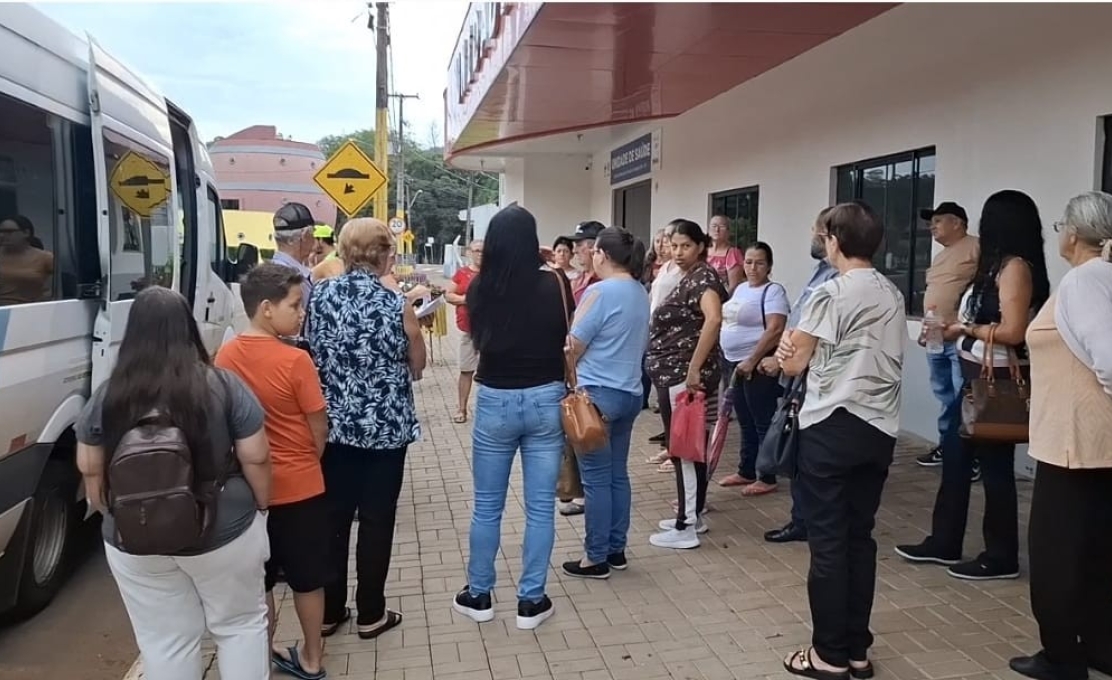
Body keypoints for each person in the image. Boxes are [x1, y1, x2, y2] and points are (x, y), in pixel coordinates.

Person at [75, 286, 272, 680]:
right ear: (189, 328)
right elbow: (257, 456)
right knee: (239, 627)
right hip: (222, 528)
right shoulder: (222, 385)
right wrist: (263, 507)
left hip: (134, 538)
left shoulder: (108, 395)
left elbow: (90, 468)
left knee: (166, 640)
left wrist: (110, 513)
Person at [776, 201, 907, 680]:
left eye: (823, 235)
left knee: (829, 542)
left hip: (832, 423)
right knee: (859, 538)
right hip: (879, 427)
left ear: (835, 240)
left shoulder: (830, 293)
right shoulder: (892, 292)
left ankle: (828, 655)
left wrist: (792, 348)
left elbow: (792, 362)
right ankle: (856, 650)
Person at [896, 189, 1050, 580]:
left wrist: (965, 328)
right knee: (955, 459)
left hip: (993, 385)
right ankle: (944, 541)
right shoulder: (993, 266)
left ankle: (1001, 556)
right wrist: (946, 332)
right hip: (970, 377)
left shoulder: (1015, 267)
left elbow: (1014, 330)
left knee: (996, 470)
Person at [1008, 191, 1112, 680]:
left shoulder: (1084, 280)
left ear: (1073, 233)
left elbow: (1109, 359)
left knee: (1056, 556)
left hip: (1075, 442)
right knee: (1095, 551)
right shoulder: (1101, 277)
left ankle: (1063, 656)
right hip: (1090, 442)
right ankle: (1098, 646)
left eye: (1059, 228)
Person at [452, 204, 571, 631]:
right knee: (540, 507)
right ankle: (531, 601)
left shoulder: (481, 288)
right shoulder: (555, 283)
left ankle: (479, 594)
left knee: (487, 506)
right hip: (545, 398)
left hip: (495, 401)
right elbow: (566, 333)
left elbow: (477, 336)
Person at [307, 218, 425, 640]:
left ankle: (330, 610)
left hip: (332, 428)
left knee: (334, 517)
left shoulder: (318, 296)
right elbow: (417, 365)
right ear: (381, 254)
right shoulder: (395, 303)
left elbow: (309, 354)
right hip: (385, 431)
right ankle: (371, 612)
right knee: (377, 519)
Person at [215, 264, 330, 680]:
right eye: (295, 305)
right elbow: (318, 425)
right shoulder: (295, 360)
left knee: (258, 581)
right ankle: (313, 657)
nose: (302, 314)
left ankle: (261, 658)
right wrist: (307, 459)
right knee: (307, 579)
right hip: (300, 487)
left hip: (247, 492)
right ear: (266, 308)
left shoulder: (224, 358)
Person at [561, 227, 650, 579]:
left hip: (597, 395)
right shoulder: (639, 291)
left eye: (593, 250)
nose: (589, 256)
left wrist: (568, 375)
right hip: (629, 393)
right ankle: (616, 549)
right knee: (617, 476)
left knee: (596, 480)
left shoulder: (599, 291)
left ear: (604, 255)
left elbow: (573, 345)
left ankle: (594, 556)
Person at [758, 207, 839, 544]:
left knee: (806, 450)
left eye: (817, 230)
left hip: (811, 375)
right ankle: (802, 518)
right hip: (797, 374)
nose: (812, 235)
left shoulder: (837, 281)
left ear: (831, 237)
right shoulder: (820, 272)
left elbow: (811, 334)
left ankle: (809, 521)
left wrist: (781, 360)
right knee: (799, 448)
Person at [645, 219, 727, 548]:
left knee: (684, 450)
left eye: (686, 246)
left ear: (701, 247)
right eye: (674, 245)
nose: (678, 252)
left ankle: (686, 525)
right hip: (674, 371)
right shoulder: (689, 275)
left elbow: (715, 318)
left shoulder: (703, 277)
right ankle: (694, 515)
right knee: (687, 448)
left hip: (683, 375)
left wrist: (693, 368)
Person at [717, 242, 789, 495]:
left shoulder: (773, 292)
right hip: (732, 362)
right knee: (745, 420)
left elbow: (775, 329)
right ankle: (746, 470)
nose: (752, 267)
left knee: (762, 420)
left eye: (759, 262)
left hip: (757, 364)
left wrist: (752, 359)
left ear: (769, 266)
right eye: (748, 262)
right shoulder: (739, 289)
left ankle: (767, 475)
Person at [915, 203, 980, 476]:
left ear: (957, 223)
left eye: (938, 221)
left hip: (959, 337)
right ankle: (947, 445)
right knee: (944, 394)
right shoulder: (941, 256)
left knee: (960, 398)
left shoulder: (977, 248)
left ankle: (970, 455)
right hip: (935, 336)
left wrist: (964, 326)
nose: (932, 226)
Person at [645, 219, 687, 468]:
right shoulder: (665, 268)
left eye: (672, 242)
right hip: (658, 341)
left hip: (675, 345)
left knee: (676, 402)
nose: (667, 246)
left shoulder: (688, 273)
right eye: (667, 241)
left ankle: (679, 451)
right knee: (663, 401)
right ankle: (671, 447)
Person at [445, 240, 483, 424]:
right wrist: (466, 299)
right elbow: (448, 295)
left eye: (483, 251)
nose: (480, 254)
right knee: (466, 369)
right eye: (476, 251)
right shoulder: (462, 274)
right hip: (467, 329)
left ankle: (486, 409)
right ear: (469, 252)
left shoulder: (492, 273)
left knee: (489, 372)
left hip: (489, 331)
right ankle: (461, 408)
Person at [0, 215, 53, 305]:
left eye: (9, 232)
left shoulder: (45, 258)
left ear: (26, 233)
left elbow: (60, 287)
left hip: (30, 309)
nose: (2, 235)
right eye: (1, 231)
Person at [271, 202, 316, 307]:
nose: (315, 240)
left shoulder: (272, 271)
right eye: (313, 234)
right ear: (304, 236)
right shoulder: (293, 279)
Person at [707, 214, 744, 293]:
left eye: (722, 226)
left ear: (728, 231)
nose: (717, 230)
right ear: (709, 230)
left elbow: (734, 287)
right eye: (714, 226)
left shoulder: (733, 253)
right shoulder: (702, 251)